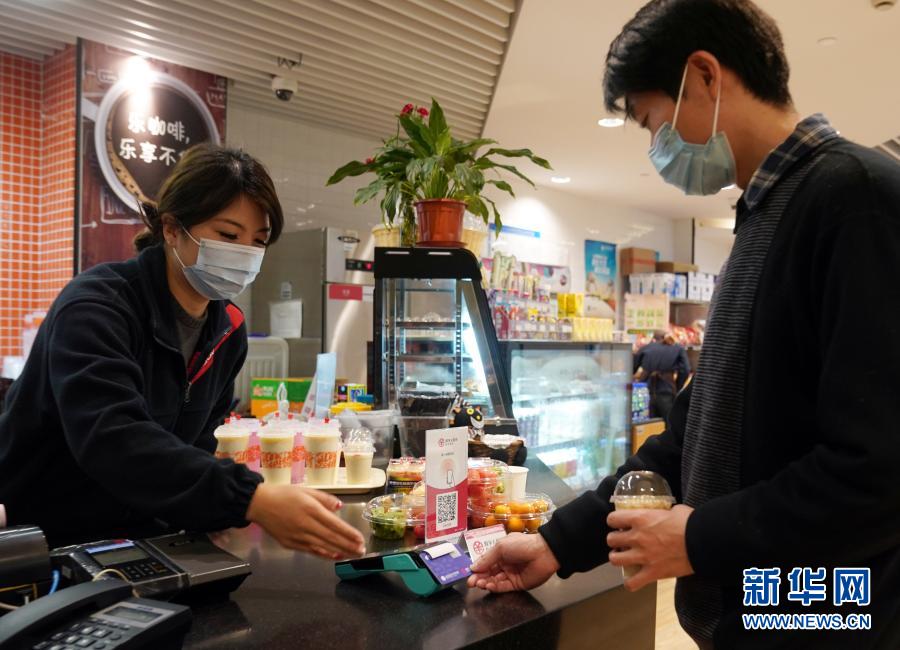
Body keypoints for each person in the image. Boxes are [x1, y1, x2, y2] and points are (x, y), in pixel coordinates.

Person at [469, 1, 900, 648]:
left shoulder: (857, 199)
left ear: (704, 75)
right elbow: (693, 436)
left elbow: (878, 469)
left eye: (652, 122)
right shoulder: (765, 215)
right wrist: (558, 543)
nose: (656, 147)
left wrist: (700, 537)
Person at [0, 143, 366, 561]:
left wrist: (206, 514)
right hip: (42, 545)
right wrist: (250, 499)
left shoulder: (227, 329)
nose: (245, 252)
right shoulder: (98, 306)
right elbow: (113, 439)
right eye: (228, 235)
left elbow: (195, 446)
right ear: (172, 229)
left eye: (258, 241)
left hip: (139, 543)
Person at [633, 330, 691, 420]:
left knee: (647, 425)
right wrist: (678, 386)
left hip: (645, 394)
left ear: (653, 338)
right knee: (669, 425)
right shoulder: (677, 348)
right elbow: (686, 370)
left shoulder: (645, 348)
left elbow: (632, 368)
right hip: (666, 391)